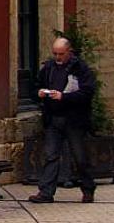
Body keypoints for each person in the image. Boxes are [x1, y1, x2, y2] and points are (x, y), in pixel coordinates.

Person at [27, 37, 97, 204]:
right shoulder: (49, 67)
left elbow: (87, 93)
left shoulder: (80, 68)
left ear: (69, 52)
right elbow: (34, 87)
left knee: (79, 156)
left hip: (74, 120)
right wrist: (40, 93)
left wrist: (64, 97)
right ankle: (46, 192)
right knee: (51, 155)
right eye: (55, 54)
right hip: (53, 119)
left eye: (61, 54)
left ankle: (88, 188)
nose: (58, 57)